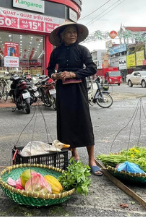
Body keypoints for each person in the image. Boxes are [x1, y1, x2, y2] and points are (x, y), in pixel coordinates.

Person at [47, 21, 102, 175]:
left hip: (78, 89)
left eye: (74, 32)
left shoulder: (82, 50)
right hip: (63, 90)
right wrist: (54, 75)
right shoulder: (56, 52)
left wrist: (74, 74)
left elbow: (92, 68)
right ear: (62, 35)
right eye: (69, 32)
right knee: (66, 122)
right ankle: (74, 154)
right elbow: (50, 69)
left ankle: (91, 160)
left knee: (83, 120)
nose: (72, 35)